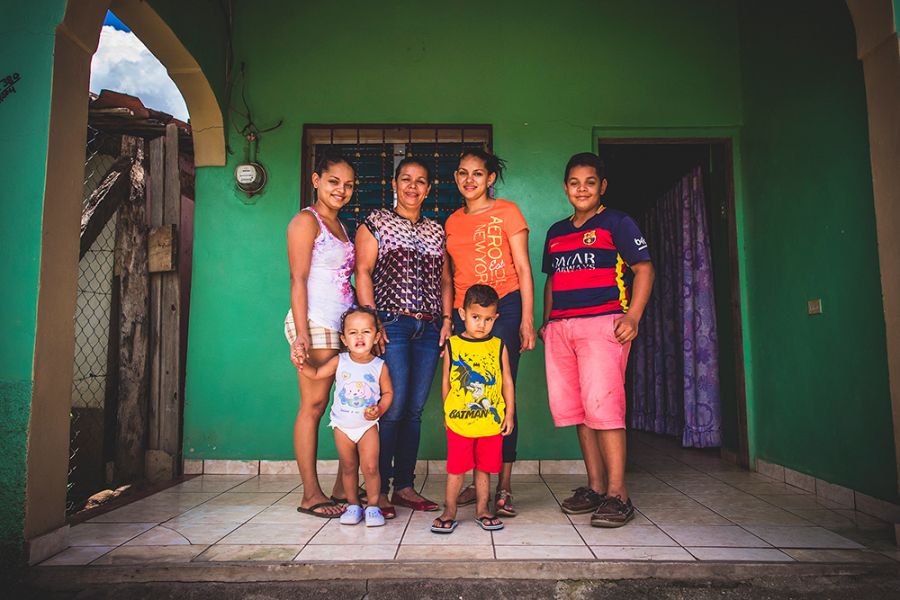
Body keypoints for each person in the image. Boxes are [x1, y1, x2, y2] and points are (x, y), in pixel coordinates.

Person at [539, 152, 655, 527]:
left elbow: (644, 269)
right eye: (575, 182)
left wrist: (633, 316)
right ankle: (594, 487)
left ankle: (618, 494)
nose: (582, 189)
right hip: (562, 328)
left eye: (590, 182)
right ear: (566, 187)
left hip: (603, 325)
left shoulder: (617, 222)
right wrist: (547, 322)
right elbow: (553, 281)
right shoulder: (556, 232)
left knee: (604, 409)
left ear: (602, 186)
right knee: (580, 410)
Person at [355, 157, 452, 518]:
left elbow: (445, 280)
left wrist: (445, 319)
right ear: (394, 184)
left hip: (428, 328)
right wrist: (373, 322)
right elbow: (362, 272)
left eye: (421, 181)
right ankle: (377, 489)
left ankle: (405, 487)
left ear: (428, 189)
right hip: (391, 323)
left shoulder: (436, 230)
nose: (413, 186)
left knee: (413, 411)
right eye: (406, 179)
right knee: (392, 408)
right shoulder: (376, 222)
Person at [445, 149, 535, 517]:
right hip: (466, 313)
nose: (470, 180)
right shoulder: (451, 222)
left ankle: (505, 486)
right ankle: (476, 480)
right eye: (463, 173)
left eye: (478, 173)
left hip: (506, 309)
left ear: (490, 178)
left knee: (499, 389)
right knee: (469, 394)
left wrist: (526, 318)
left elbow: (524, 267)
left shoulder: (508, 212)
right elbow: (448, 276)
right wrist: (450, 318)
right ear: (455, 178)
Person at [287, 149, 356, 518]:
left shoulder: (342, 226)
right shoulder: (305, 221)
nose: (340, 190)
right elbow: (298, 280)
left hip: (341, 326)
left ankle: (342, 486)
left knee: (344, 406)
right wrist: (301, 334)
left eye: (347, 185)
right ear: (316, 180)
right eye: (333, 182)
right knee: (313, 407)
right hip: (314, 323)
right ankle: (311, 494)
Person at [298, 307, 393, 527]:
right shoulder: (339, 361)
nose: (359, 337)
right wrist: (302, 364)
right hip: (342, 426)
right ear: (344, 338)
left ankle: (372, 507)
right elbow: (316, 374)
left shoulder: (379, 366)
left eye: (366, 332)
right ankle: (352, 505)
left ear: (377, 336)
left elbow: (388, 393)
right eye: (353, 333)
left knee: (370, 467)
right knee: (349, 467)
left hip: (367, 426)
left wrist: (379, 409)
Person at [431, 285, 515, 533]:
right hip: (459, 420)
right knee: (456, 469)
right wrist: (447, 411)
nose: (482, 324)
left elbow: (507, 381)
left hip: (490, 422)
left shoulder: (498, 345)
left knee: (485, 468)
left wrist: (509, 413)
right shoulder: (453, 345)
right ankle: (450, 510)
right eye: (476, 317)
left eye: (488, 319)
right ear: (463, 313)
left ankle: (482, 509)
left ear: (495, 318)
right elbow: (446, 381)